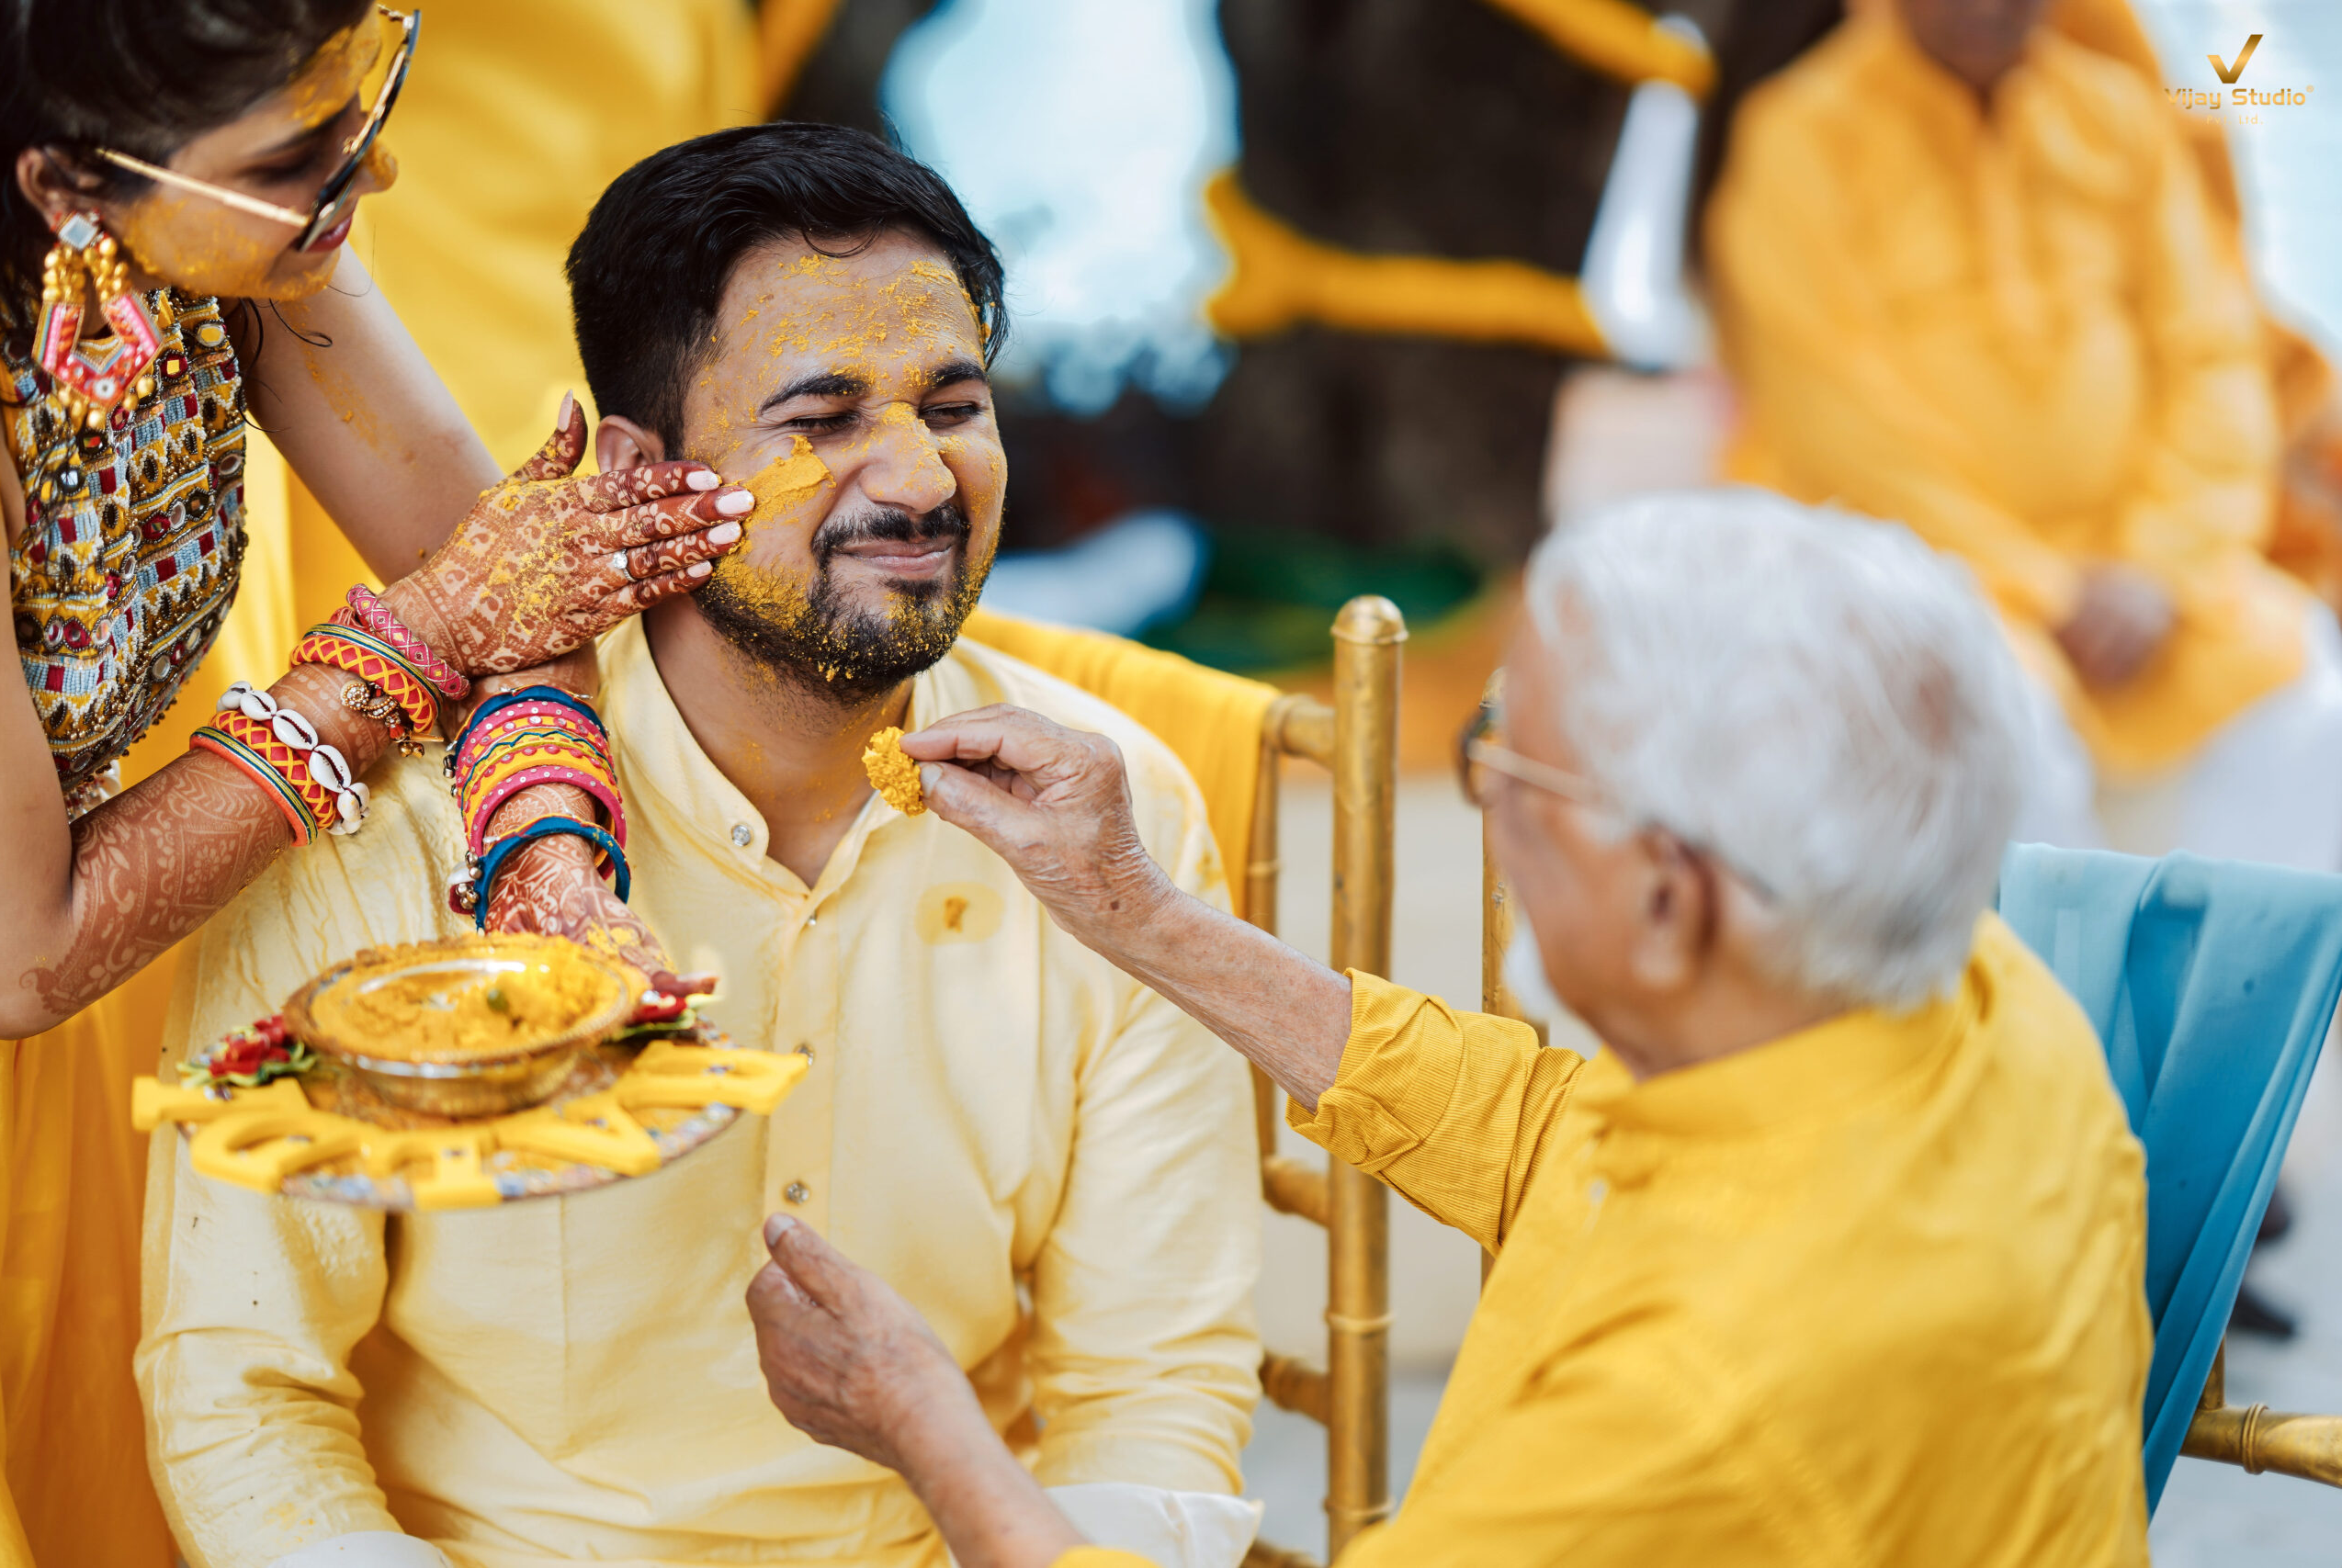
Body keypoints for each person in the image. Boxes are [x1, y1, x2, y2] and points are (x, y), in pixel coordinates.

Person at [138, 123, 1263, 1568]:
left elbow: (1153, 1383)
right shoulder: (394, 823)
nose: (920, 479)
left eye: (955, 401)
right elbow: (241, 1389)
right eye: (823, 416)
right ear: (639, 468)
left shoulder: (1114, 816)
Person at [743, 489, 2155, 1567]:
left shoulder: (1691, 1409)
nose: (1479, 796)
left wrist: (921, 1416)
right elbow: (1562, 1139)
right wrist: (1136, 909)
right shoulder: (1962, 992)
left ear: (1669, 894)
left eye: (1508, 764)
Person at [0, 2, 747, 1558]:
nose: (375, 170)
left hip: (120, 991)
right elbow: (25, 944)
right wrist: (418, 640)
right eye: (302, 154)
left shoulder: (249, 231)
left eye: (367, 99)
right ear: (67, 188)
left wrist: (549, 856)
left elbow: (502, 581)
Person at [1704, 0, 2342, 870]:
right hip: (1924, 567)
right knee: (1987, 716)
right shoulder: (1801, 136)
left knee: (2303, 688)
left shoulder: (2116, 116)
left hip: (2145, 580)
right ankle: (2056, 1003)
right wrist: (2044, 586)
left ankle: (2223, 1002)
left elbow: (2215, 361)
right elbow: (1838, 427)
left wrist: (2158, 565)